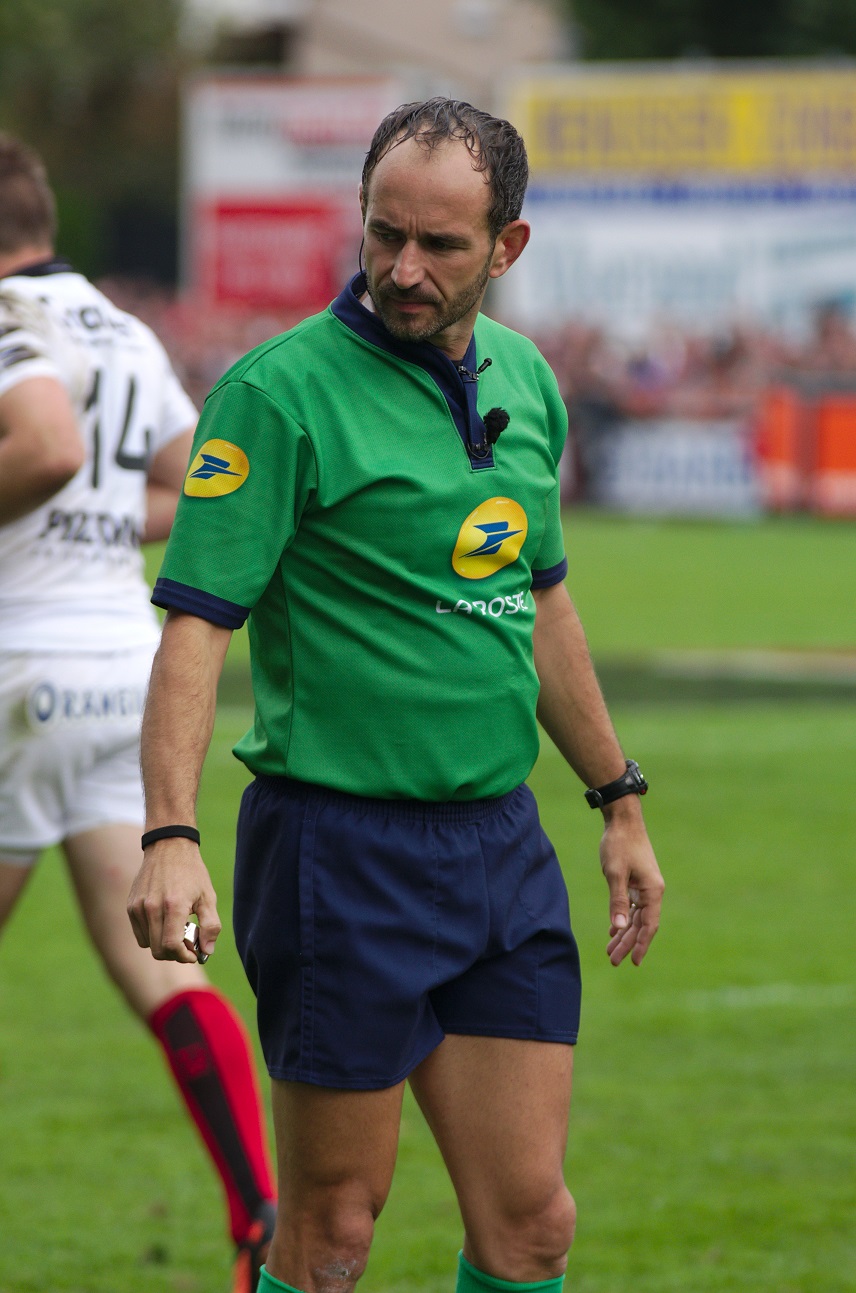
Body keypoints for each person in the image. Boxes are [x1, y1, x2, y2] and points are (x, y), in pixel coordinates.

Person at [128, 98, 665, 1293]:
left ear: (508, 247)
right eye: (382, 235)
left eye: (440, 246)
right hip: (338, 851)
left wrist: (615, 799)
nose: (401, 270)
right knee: (333, 1237)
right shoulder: (277, 395)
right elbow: (195, 635)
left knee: (531, 1226)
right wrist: (169, 834)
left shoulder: (527, 379)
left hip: (498, 846)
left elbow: (546, 605)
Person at [0, 133, 277, 1293]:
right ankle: (260, 1206)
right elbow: (196, 475)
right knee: (163, 971)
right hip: (125, 671)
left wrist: (66, 499)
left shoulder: (11, 319)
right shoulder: (121, 327)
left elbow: (49, 446)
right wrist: (111, 527)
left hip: (17, 671)